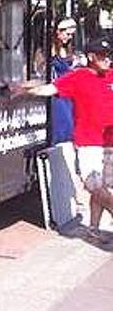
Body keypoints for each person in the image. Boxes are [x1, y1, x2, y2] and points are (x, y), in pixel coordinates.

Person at [19, 36, 113, 237]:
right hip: (89, 142)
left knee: (102, 188)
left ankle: (94, 229)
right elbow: (50, 89)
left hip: (110, 142)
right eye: (103, 56)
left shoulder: (111, 76)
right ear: (91, 57)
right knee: (93, 185)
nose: (108, 60)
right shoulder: (77, 77)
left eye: (109, 55)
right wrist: (25, 90)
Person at [50, 18, 83, 144]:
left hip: (69, 94)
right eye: (67, 34)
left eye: (71, 35)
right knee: (60, 124)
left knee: (70, 123)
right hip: (57, 94)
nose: (69, 38)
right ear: (58, 32)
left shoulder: (69, 51)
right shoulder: (50, 50)